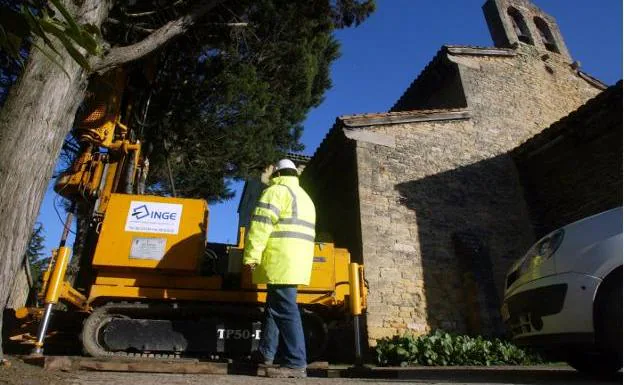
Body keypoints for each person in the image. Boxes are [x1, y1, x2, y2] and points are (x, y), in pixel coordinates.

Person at [243, 158, 316, 378]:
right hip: (296, 261)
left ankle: (295, 363)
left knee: (284, 308)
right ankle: (265, 353)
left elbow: (260, 227)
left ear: (277, 174)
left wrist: (251, 256)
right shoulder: (305, 197)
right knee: (275, 308)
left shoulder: (276, 192)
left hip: (280, 259)